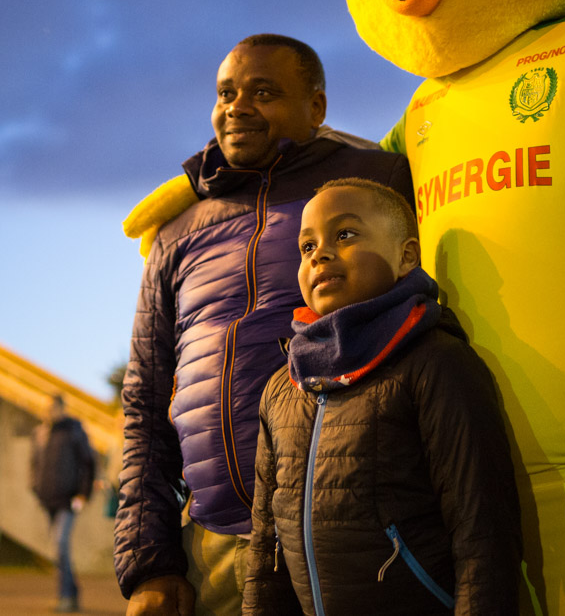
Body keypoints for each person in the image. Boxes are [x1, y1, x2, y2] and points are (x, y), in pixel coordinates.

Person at [115, 35, 414, 616]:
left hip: (352, 533)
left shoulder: (375, 187)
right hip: (215, 542)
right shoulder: (177, 231)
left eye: (264, 92)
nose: (237, 107)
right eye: (226, 92)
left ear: (317, 109)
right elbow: (145, 400)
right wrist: (150, 560)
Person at [242, 179, 522, 616]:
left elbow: (483, 534)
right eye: (306, 245)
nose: (320, 253)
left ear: (406, 255)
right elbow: (264, 549)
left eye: (345, 235)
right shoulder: (282, 387)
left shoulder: (437, 362)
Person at [32, 394, 96, 613]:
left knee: (60, 544)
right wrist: (35, 488)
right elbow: (35, 463)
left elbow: (88, 462)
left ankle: (67, 596)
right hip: (47, 499)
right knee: (57, 551)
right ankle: (73, 592)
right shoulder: (41, 432)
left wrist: (83, 494)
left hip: (68, 501)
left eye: (51, 407)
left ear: (61, 408)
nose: (47, 411)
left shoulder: (74, 430)